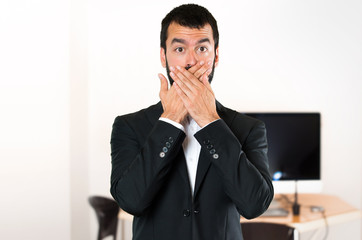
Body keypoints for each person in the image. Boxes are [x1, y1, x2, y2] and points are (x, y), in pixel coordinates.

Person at [110, 4, 273, 240]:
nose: (190, 61)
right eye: (179, 48)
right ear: (162, 55)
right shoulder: (129, 126)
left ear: (216, 56)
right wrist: (170, 120)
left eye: (202, 48)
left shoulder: (248, 129)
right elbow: (131, 201)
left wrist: (209, 121)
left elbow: (255, 205)